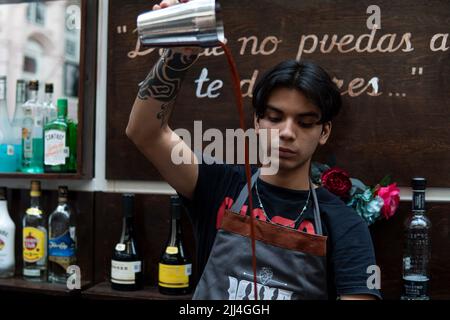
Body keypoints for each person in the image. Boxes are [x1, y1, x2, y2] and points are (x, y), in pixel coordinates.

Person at [126, 0, 381, 300]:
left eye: (305, 122)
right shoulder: (217, 185)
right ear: (258, 122)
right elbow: (145, 132)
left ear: (324, 132)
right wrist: (179, 56)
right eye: (275, 118)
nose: (287, 132)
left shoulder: (345, 225)